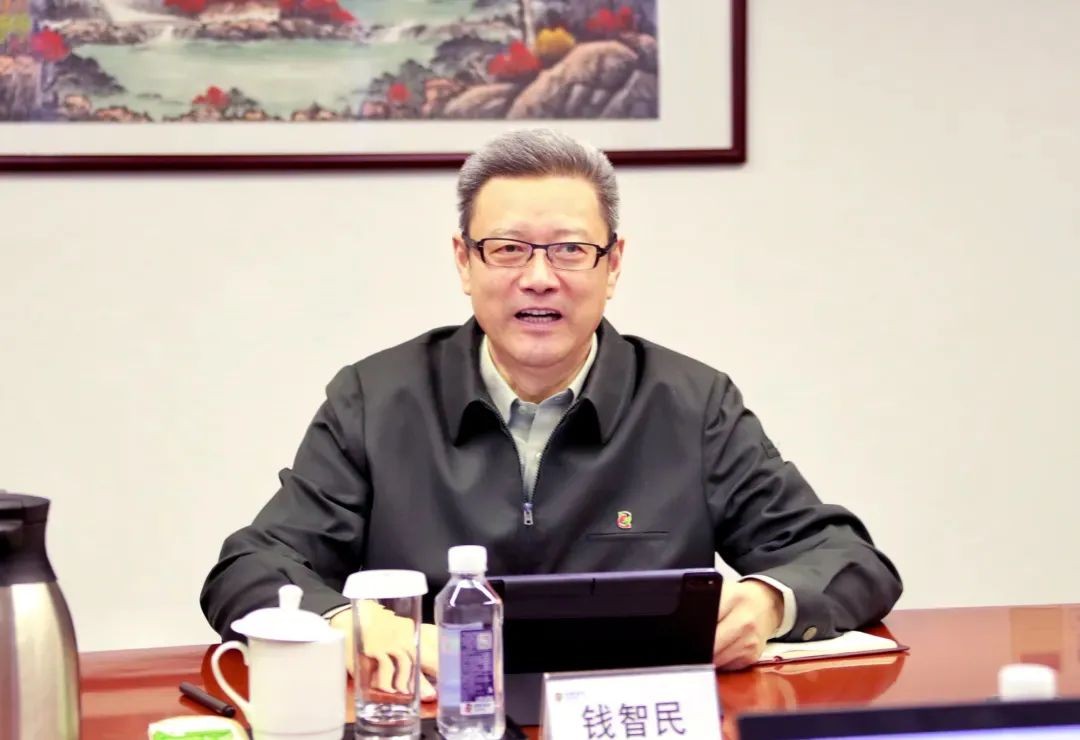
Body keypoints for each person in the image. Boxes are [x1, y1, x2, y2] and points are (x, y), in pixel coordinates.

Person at [200, 128, 902, 700]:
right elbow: (251, 567)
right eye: (507, 249)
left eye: (570, 250)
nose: (539, 278)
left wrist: (767, 602)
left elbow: (847, 559)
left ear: (613, 264)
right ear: (464, 262)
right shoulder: (377, 398)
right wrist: (347, 621)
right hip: (445, 718)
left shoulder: (692, 403)